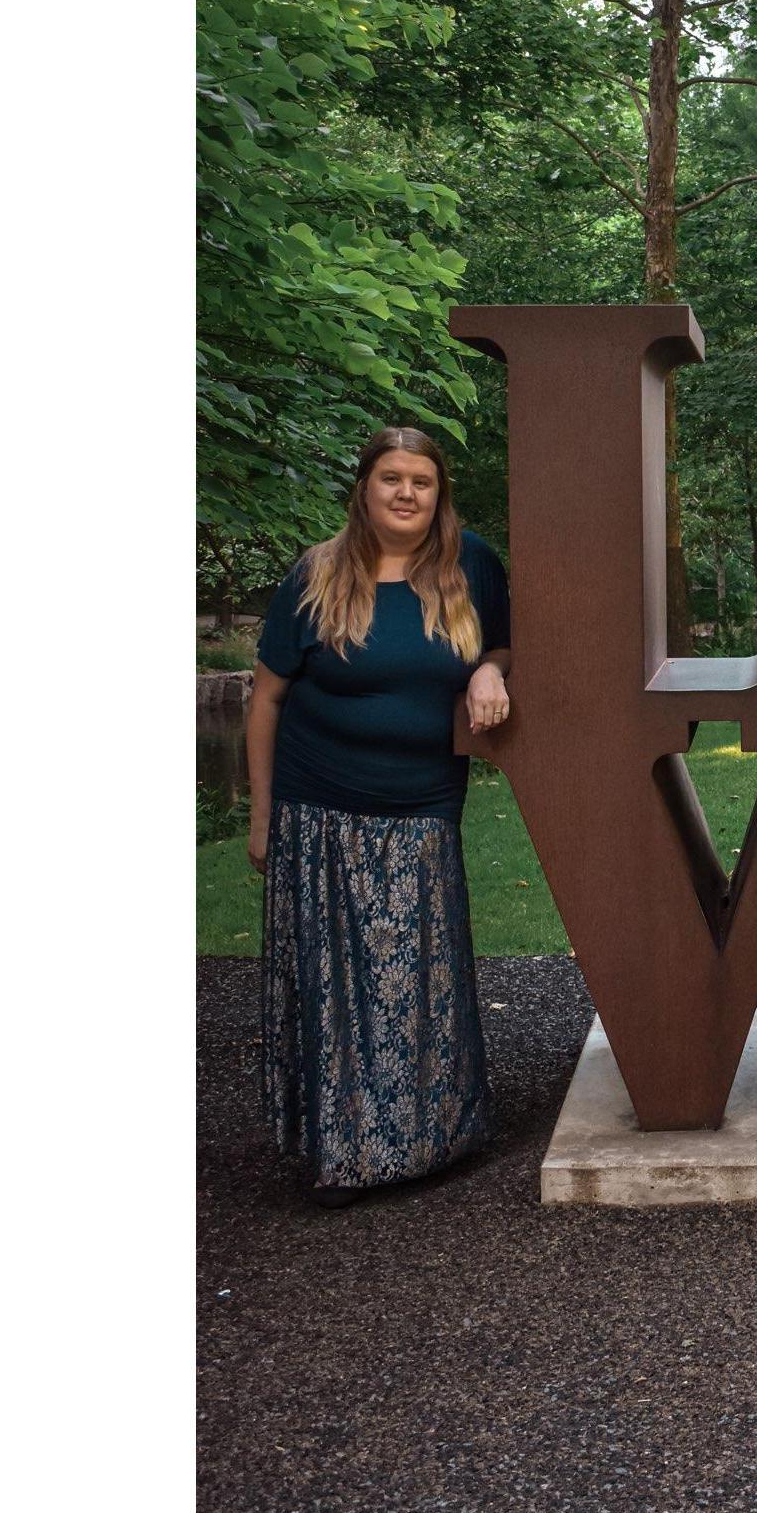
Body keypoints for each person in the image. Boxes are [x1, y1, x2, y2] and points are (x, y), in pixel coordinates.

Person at [246, 426, 512, 1207]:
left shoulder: (473, 568)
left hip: (422, 805)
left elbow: (509, 646)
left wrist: (488, 673)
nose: (405, 493)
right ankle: (345, 1151)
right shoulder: (318, 575)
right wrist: (263, 816)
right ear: (365, 488)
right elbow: (265, 699)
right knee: (335, 987)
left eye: (421, 481)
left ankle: (426, 1140)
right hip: (319, 807)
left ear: (439, 494)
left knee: (412, 978)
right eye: (391, 478)